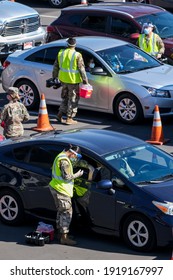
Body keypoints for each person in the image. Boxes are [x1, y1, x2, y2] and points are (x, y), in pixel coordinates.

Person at [49, 145, 84, 245]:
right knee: (66, 213)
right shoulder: (65, 161)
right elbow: (66, 177)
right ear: (73, 153)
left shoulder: (60, 155)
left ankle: (60, 234)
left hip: (56, 187)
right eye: (76, 157)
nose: (75, 159)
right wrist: (78, 175)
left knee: (60, 211)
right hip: (62, 190)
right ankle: (64, 238)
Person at [52, 37, 89, 125]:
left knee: (65, 97)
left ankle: (59, 115)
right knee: (73, 99)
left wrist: (54, 77)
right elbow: (81, 69)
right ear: (75, 45)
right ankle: (69, 118)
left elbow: (55, 67)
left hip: (63, 79)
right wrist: (85, 80)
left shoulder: (61, 53)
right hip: (73, 80)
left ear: (67, 44)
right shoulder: (77, 55)